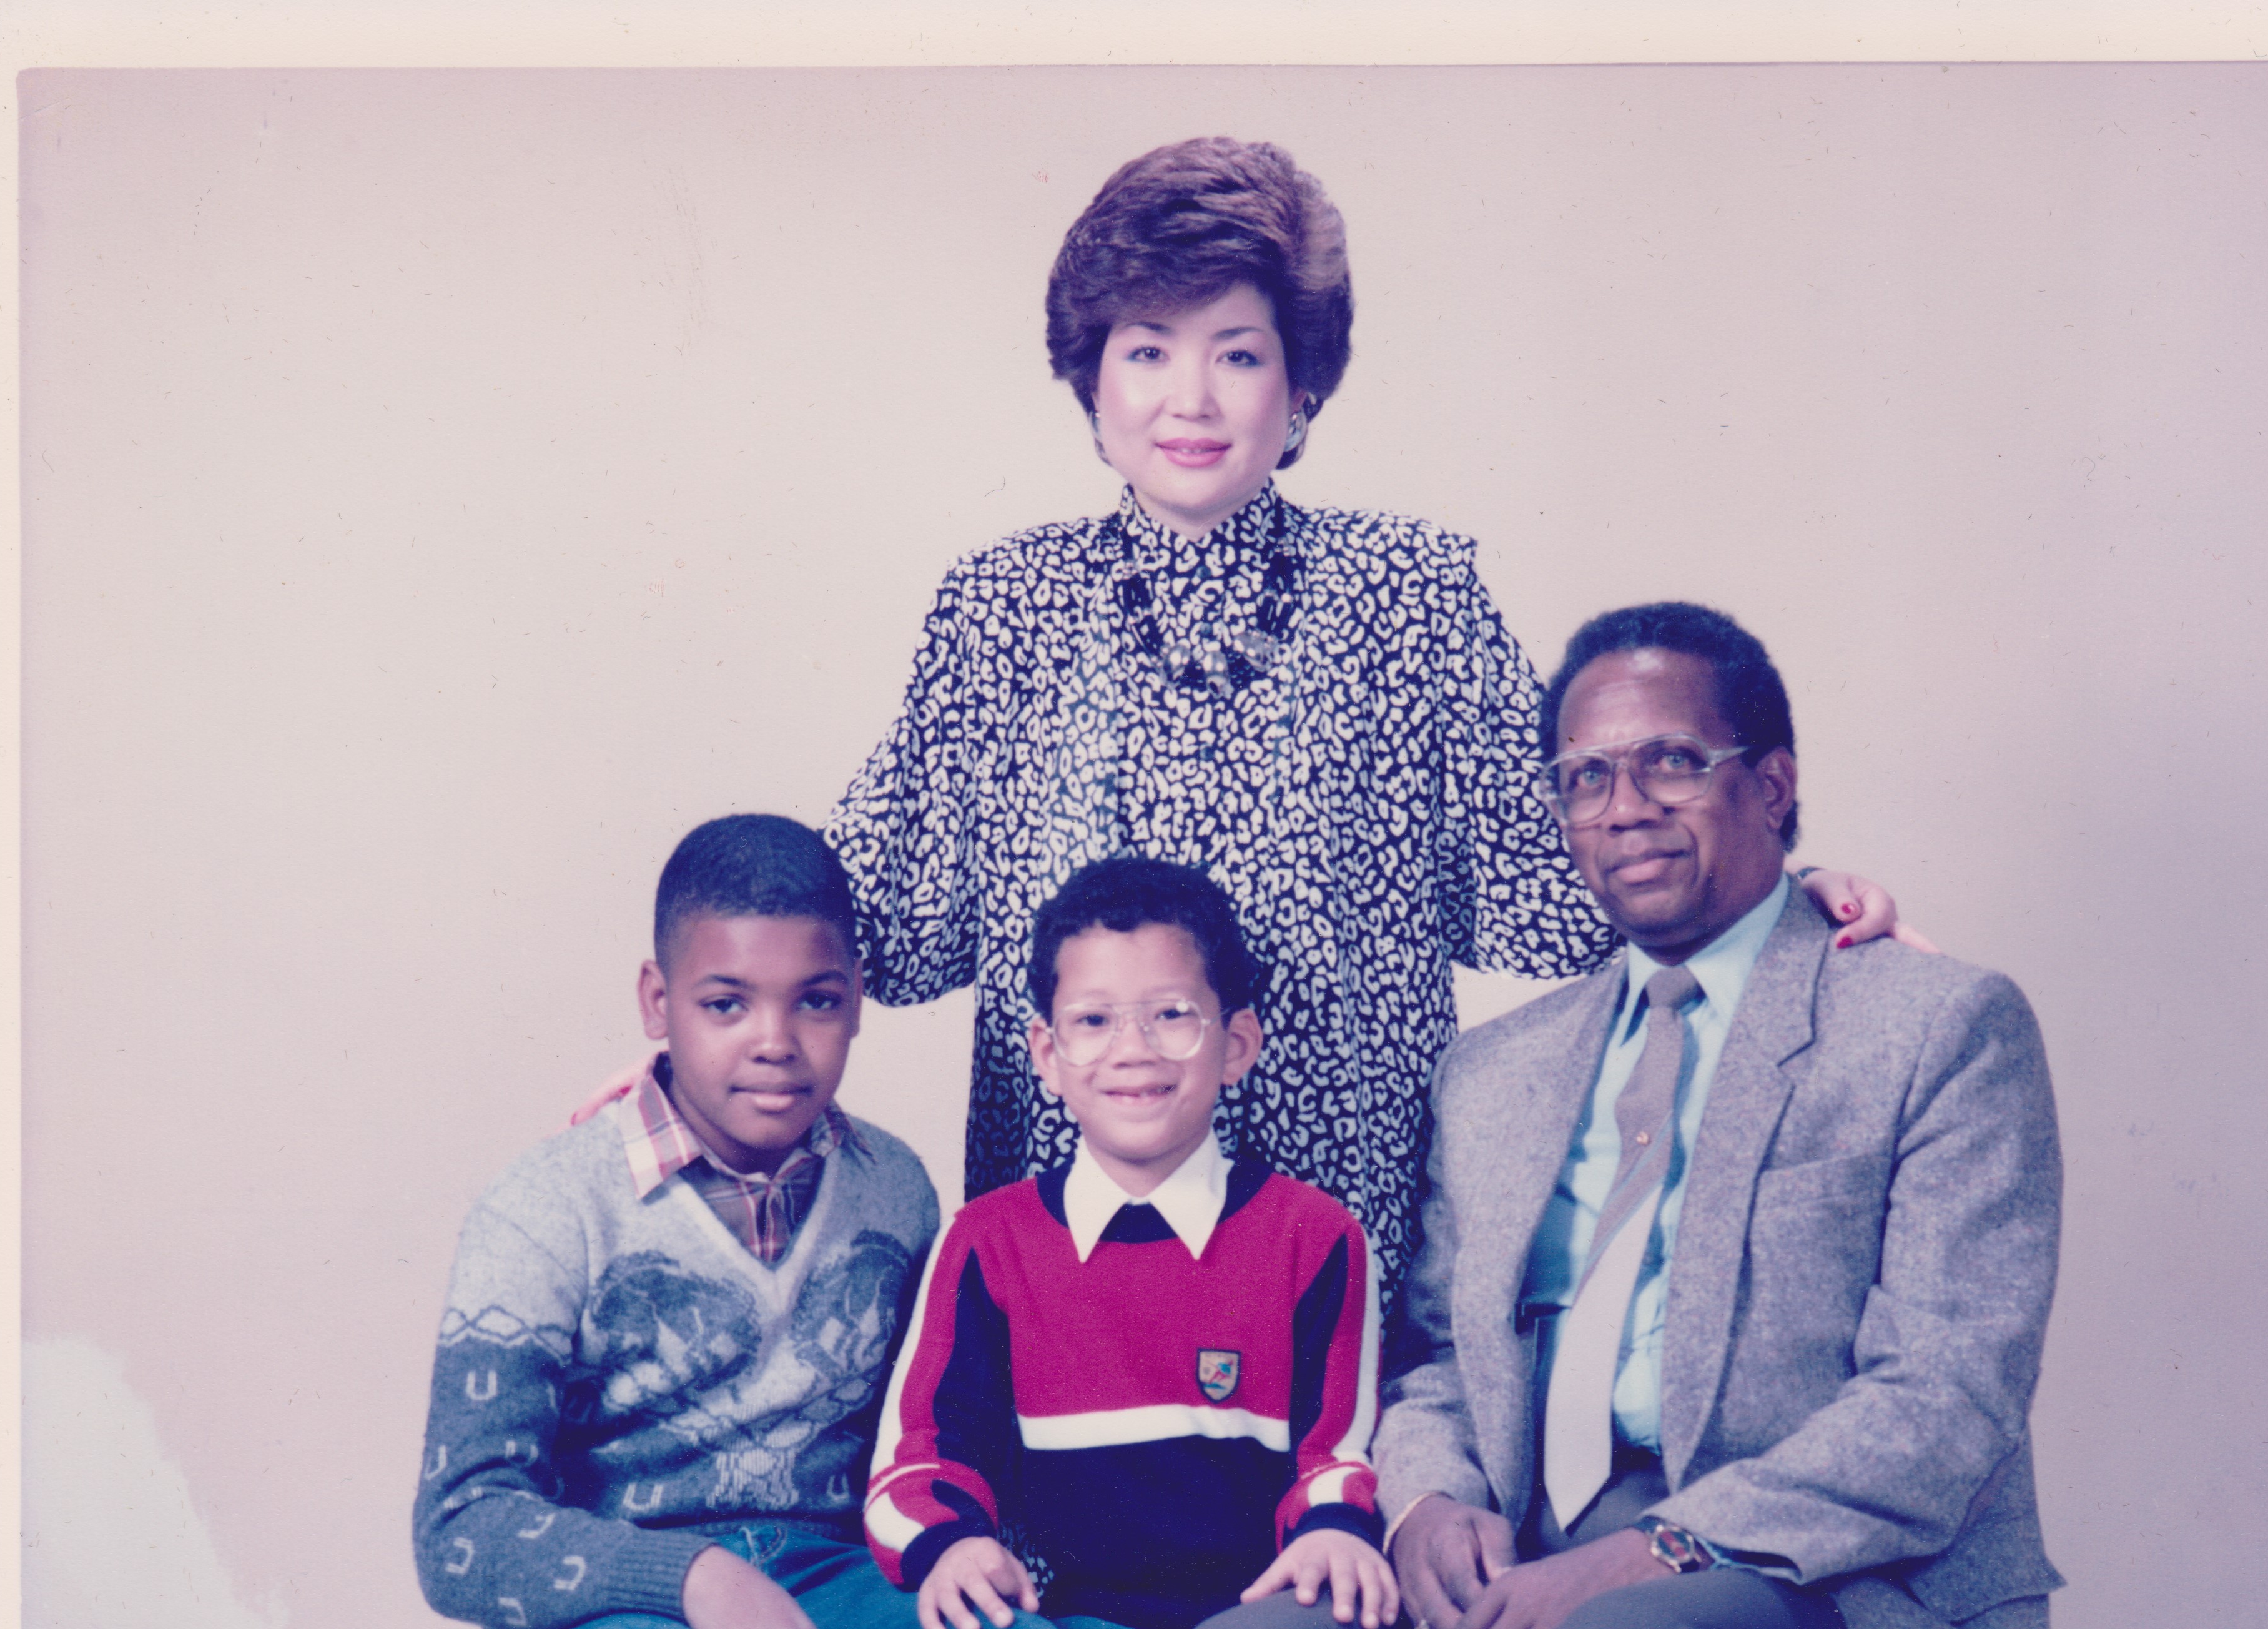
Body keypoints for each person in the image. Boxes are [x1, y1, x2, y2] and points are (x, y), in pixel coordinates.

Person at [819, 136, 1911, 1296]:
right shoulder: (1002, 606)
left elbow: (1568, 884)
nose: (1190, 398)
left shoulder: (1410, 594)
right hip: (1065, 1255)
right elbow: (875, 913)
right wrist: (708, 1018)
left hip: (1344, 1242)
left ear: (1301, 385)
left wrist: (1779, 898)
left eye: (1238, 353)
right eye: (1147, 350)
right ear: (1092, 379)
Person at [1155, 603, 2064, 1629]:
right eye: (1585, 777)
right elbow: (1435, 1357)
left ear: (1772, 784)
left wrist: (1657, 1548)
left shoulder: (1934, 1025)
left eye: (1670, 761)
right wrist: (1427, 1506)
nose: (1623, 806)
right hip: (1521, 1559)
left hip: (1818, 1583)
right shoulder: (1496, 1069)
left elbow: (1945, 1398)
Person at [413, 814, 1105, 1629]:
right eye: (726, 1004)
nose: (774, 1042)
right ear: (658, 1003)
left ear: (856, 1000)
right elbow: (461, 1528)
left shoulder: (894, 1188)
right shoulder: (547, 1206)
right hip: (604, 1621)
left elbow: (920, 1441)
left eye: (815, 1001)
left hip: (834, 1583)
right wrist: (698, 1578)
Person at [864, 857, 1395, 1629]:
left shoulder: (1314, 1237)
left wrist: (1329, 1531)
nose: (1133, 1050)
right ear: (1046, 1054)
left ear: (1237, 1044)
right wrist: (952, 1546)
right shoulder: (988, 1242)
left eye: (1171, 1015)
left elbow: (1337, 1457)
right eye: (1094, 1020)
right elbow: (919, 1460)